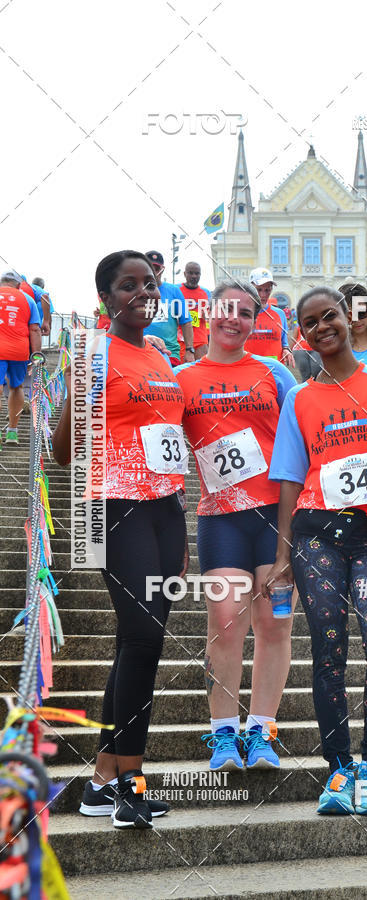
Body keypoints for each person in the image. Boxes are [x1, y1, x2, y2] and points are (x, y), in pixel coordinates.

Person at [266, 286, 367, 816]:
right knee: (328, 651)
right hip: (315, 534)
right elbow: (290, 479)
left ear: (347, 316)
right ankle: (338, 769)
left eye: (328, 315)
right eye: (310, 323)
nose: (322, 327)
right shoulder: (299, 398)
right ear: (303, 334)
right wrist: (284, 554)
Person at [52, 250, 189, 829]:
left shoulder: (158, 354)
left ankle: (101, 783)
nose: (143, 292)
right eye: (128, 285)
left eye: (149, 283)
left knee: (136, 642)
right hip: (114, 507)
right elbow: (63, 453)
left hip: (165, 509)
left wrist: (180, 524)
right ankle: (131, 785)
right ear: (105, 297)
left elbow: (170, 438)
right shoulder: (95, 351)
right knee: (143, 638)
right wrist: (78, 387)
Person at [175, 279, 296, 771]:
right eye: (227, 309)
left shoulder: (274, 373)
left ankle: (261, 731)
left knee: (275, 623)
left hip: (276, 518)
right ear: (207, 312)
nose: (234, 319)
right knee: (225, 623)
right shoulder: (179, 377)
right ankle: (224, 734)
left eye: (246, 313)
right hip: (220, 519)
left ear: (255, 322)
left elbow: (300, 441)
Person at [0, 269, 41, 446]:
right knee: (16, 387)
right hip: (19, 350)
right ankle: (12, 432)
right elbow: (35, 329)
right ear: (18, 285)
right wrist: (36, 354)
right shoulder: (28, 299)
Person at [143, 250, 194, 366]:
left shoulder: (174, 291)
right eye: (149, 268)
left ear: (162, 269)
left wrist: (189, 350)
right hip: (141, 351)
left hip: (168, 353)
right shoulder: (135, 291)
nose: (153, 272)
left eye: (156, 268)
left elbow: (186, 322)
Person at [244, 268, 294, 366]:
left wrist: (286, 350)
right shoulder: (240, 313)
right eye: (259, 290)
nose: (263, 295)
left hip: (273, 369)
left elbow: (284, 343)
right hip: (248, 368)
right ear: (250, 289)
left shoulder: (280, 314)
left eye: (267, 290)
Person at [177, 261, 211, 360]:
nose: (194, 276)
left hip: (201, 339)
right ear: (185, 274)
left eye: (197, 273)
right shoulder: (177, 290)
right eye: (190, 273)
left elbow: (210, 316)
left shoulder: (206, 293)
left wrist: (206, 316)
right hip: (181, 339)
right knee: (184, 368)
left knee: (202, 367)